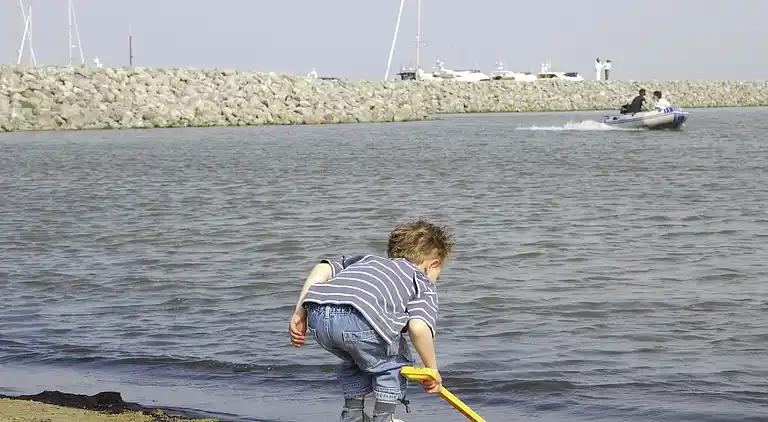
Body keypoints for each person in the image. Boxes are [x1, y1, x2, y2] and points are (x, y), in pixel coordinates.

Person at [289, 219, 455, 422]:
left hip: (318, 314)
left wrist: (300, 312)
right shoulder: (421, 281)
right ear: (433, 265)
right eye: (439, 275)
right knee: (394, 360)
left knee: (357, 359)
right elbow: (419, 328)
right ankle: (384, 418)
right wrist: (432, 370)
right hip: (360, 319)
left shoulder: (367, 260)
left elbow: (322, 268)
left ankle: (353, 414)